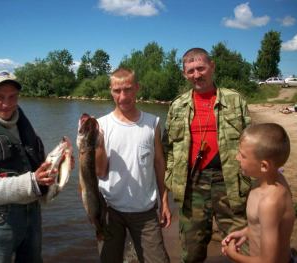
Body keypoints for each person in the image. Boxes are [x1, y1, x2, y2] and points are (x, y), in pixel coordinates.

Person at [162, 47, 252, 262]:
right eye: (190, 71)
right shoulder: (177, 106)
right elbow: (169, 151)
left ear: (212, 67)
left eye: (201, 68)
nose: (197, 75)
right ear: (184, 74)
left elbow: (252, 145)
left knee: (243, 248)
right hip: (191, 186)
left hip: (230, 183)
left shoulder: (235, 100)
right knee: (192, 252)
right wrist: (167, 189)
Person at [0, 70, 56, 263]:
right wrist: (33, 181)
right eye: (0, 97)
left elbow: (38, 167)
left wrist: (59, 163)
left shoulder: (26, 128)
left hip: (33, 213)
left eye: (12, 97)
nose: (7, 104)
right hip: (1, 219)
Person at [95, 67, 171, 263]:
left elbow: (159, 163)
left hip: (145, 211)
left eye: (128, 89)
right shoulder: (101, 125)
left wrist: (164, 200)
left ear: (137, 88)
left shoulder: (152, 123)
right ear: (110, 91)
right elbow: (100, 171)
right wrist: (99, 145)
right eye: (117, 91)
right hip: (110, 209)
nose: (123, 96)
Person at [221, 123, 295, 263]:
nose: (237, 158)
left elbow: (268, 261)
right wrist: (246, 232)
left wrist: (233, 255)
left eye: (242, 155)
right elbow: (266, 225)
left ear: (264, 166)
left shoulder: (270, 202)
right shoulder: (262, 181)